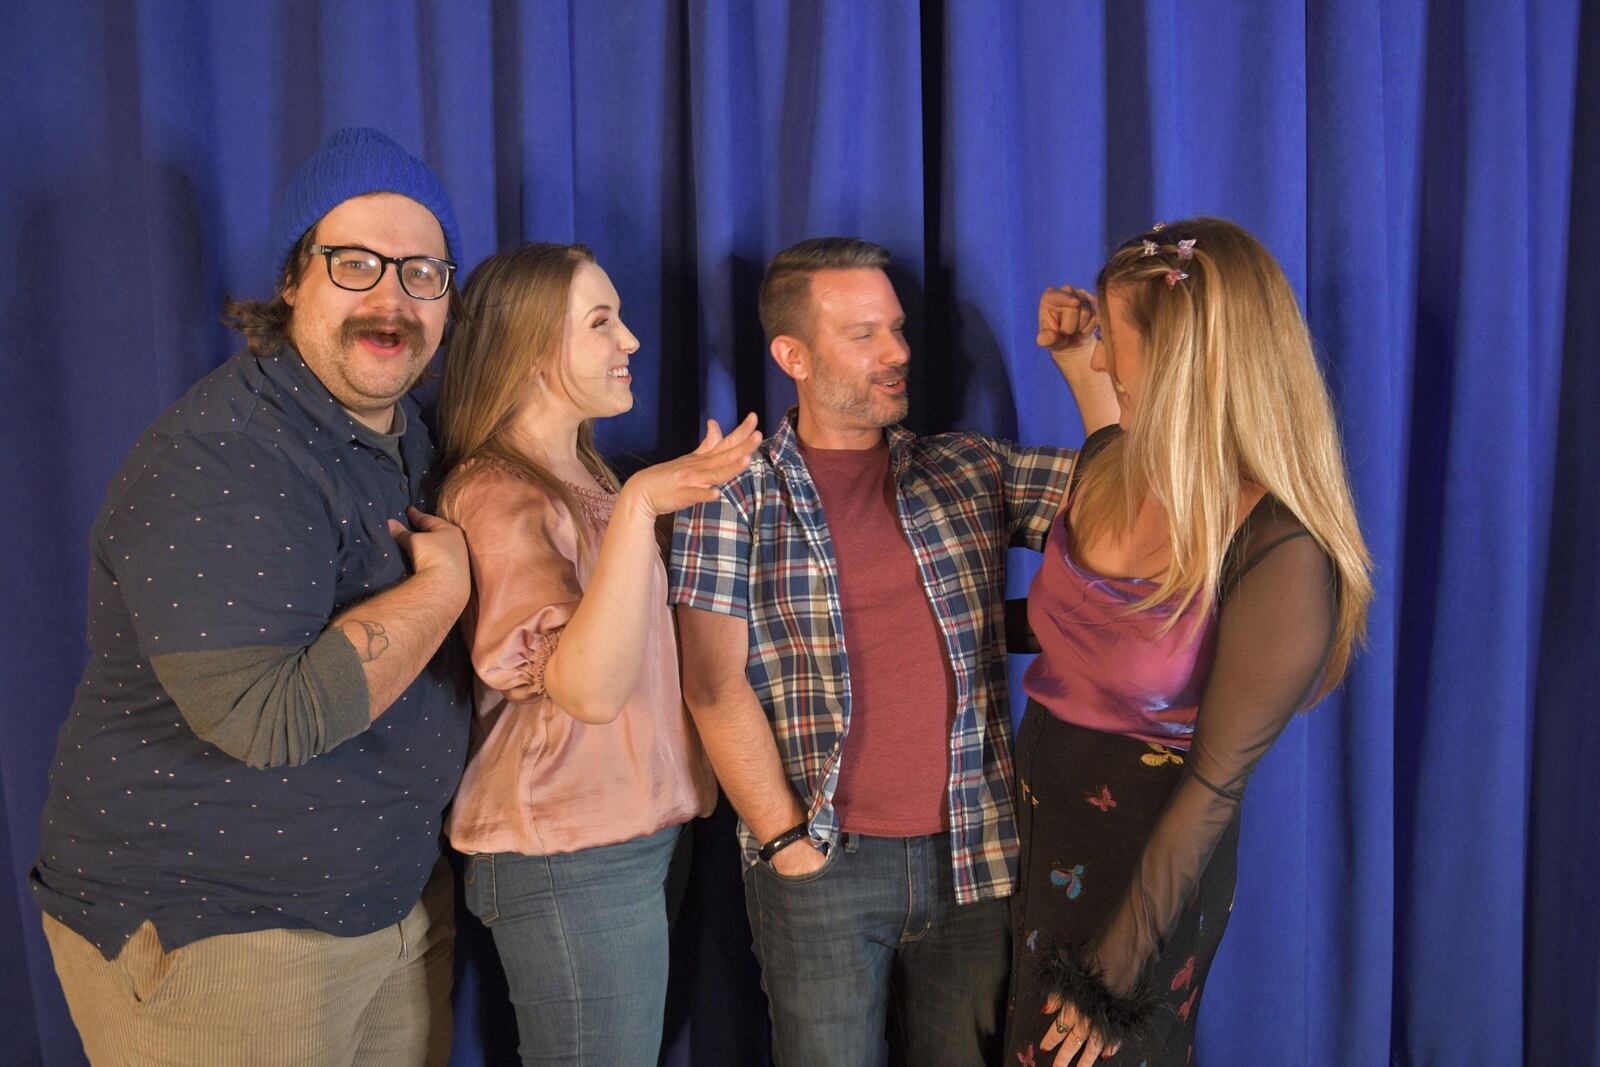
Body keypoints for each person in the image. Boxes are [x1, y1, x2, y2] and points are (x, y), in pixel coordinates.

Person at [31, 127, 474, 1066]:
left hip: (388, 906)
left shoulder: (409, 436)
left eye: (423, 272)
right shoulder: (222, 456)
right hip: (222, 939)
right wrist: (446, 588)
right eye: (355, 263)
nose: (390, 300)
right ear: (291, 280)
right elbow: (265, 716)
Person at [670, 237, 1114, 1065]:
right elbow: (710, 683)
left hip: (974, 855)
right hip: (823, 861)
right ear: (792, 355)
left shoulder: (966, 467)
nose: (899, 353)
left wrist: (1084, 367)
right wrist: (784, 842)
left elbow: (1131, 510)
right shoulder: (730, 492)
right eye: (866, 334)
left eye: (899, 329)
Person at [1006, 217, 1374, 1066]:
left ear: (1187, 362)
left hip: (1145, 872)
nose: (1104, 362)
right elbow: (1092, 616)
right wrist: (1075, 356)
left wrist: (1111, 976)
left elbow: (1213, 786)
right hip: (1032, 833)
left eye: (1117, 343)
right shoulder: (1115, 470)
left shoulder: (1282, 550)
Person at [433, 242, 758, 1065]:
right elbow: (586, 689)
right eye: (602, 322)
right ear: (535, 353)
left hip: (631, 838)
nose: (632, 342)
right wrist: (646, 503)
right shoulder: (497, 493)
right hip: (566, 857)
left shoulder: (585, 473)